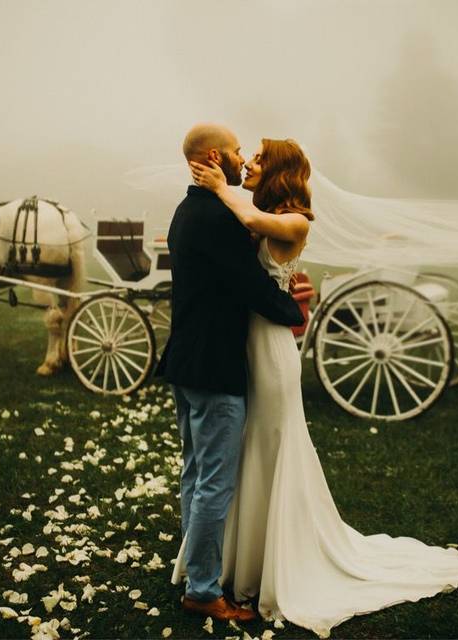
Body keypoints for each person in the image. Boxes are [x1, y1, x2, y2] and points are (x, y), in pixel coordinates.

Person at [172, 137, 458, 638]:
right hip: (239, 345)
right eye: (243, 155)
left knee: (271, 445)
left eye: (256, 158)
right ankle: (235, 560)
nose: (248, 162)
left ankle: (265, 560)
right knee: (242, 452)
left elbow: (256, 228)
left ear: (277, 171)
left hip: (268, 348)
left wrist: (218, 185)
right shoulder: (250, 208)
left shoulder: (293, 220)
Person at [156, 123, 306, 622]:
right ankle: (202, 588)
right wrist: (292, 311)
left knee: (196, 473)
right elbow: (251, 287)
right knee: (214, 481)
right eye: (240, 151)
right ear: (216, 158)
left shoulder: (188, 209)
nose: (245, 158)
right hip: (216, 364)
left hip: (188, 361)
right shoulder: (216, 217)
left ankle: (197, 568)